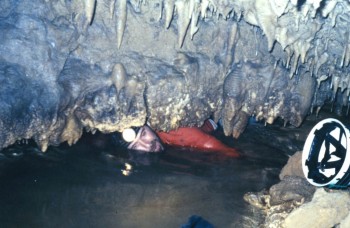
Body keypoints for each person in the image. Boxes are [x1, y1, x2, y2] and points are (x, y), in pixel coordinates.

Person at [113, 119, 240, 158]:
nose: (147, 145)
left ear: (147, 125)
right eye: (136, 146)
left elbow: (231, 153)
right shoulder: (157, 141)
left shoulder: (179, 132)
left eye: (143, 134)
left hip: (224, 122)